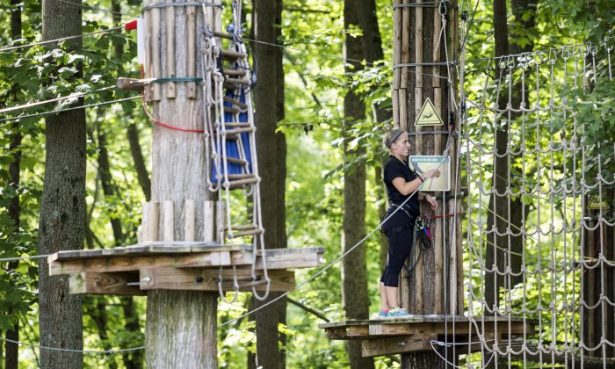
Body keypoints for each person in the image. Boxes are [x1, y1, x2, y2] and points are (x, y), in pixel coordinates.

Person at [378, 128, 440, 318]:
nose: (408, 145)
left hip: (403, 218)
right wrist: (424, 176)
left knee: (391, 264)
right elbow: (404, 189)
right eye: (404, 142)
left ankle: (385, 309)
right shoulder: (392, 166)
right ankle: (395, 308)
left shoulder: (402, 166)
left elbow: (410, 192)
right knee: (396, 263)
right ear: (393, 145)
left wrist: (425, 196)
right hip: (399, 219)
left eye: (408, 142)